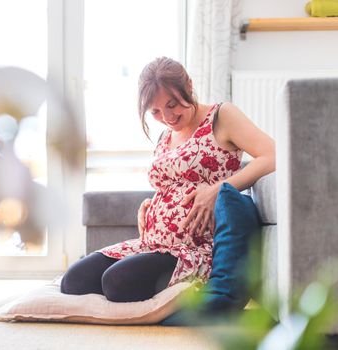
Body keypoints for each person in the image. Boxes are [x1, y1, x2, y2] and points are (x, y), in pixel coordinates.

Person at [60, 57, 276, 303]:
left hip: (194, 249)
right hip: (151, 243)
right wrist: (151, 206)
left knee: (116, 282)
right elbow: (172, 183)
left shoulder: (221, 116)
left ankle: (181, 287)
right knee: (73, 281)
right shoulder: (164, 135)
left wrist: (217, 190)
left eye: (173, 105)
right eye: (156, 112)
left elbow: (273, 154)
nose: (168, 117)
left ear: (190, 86)